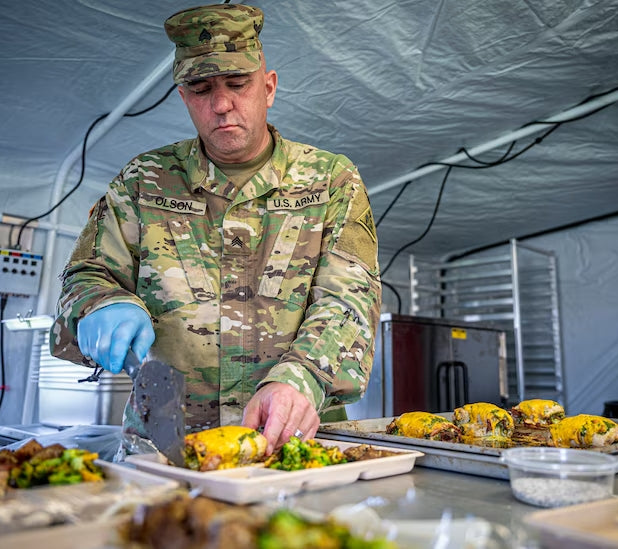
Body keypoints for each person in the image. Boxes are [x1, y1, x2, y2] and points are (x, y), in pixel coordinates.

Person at [50, 3, 381, 455]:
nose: (221, 104)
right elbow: (86, 276)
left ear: (269, 88)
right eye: (201, 88)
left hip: (293, 443)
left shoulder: (331, 180)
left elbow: (348, 300)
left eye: (238, 84)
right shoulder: (144, 180)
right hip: (165, 447)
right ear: (184, 98)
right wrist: (97, 304)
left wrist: (302, 376)